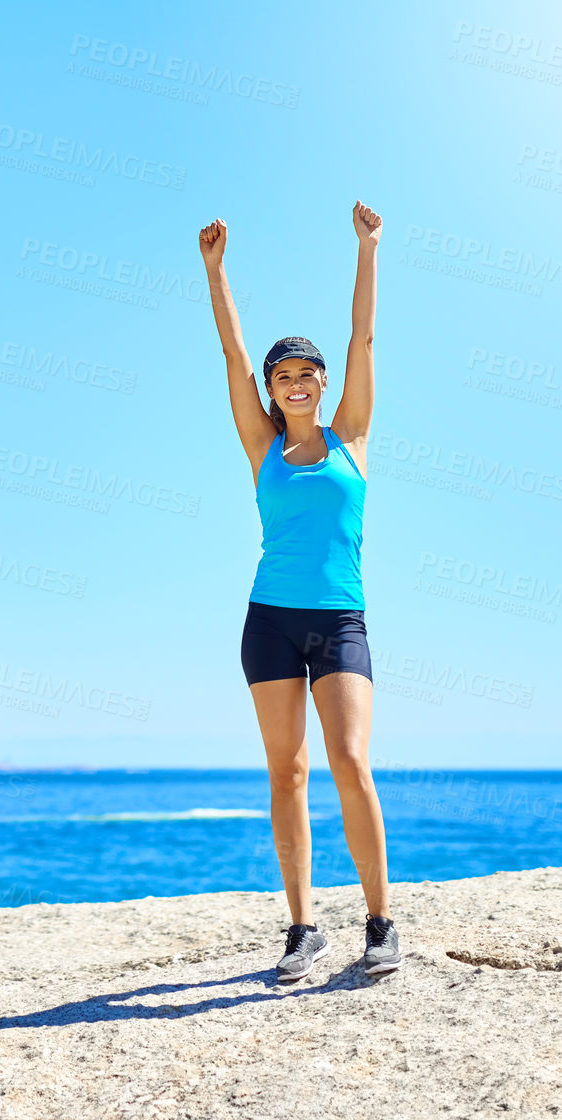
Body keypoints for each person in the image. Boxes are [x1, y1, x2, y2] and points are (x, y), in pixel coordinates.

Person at [197, 202, 401, 982]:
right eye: (281, 377)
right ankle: (301, 928)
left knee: (350, 759)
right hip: (269, 621)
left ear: (320, 382)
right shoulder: (262, 448)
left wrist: (367, 250)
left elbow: (363, 338)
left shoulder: (351, 436)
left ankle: (379, 922)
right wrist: (215, 273)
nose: (294, 384)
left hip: (338, 620)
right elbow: (230, 351)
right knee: (286, 770)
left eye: (304, 374)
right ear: (273, 390)